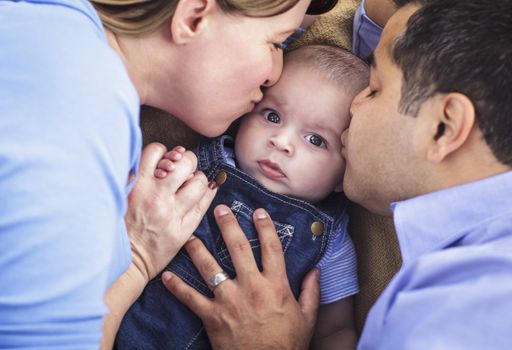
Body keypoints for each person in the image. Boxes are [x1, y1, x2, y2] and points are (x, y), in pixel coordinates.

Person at [161, 0, 512, 348]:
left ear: (443, 128)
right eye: (271, 116)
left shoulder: (465, 309)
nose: (353, 109)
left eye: (374, 90)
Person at [0, 0, 340, 348]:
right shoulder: (85, 114)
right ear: (193, 17)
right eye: (277, 43)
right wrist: (137, 259)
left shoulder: (49, 24)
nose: (275, 75)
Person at [116, 44, 369, 349]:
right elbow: (149, 207)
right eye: (272, 116)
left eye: (316, 140)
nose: (281, 141)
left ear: (346, 174)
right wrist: (169, 173)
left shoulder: (332, 242)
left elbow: (336, 330)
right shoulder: (206, 165)